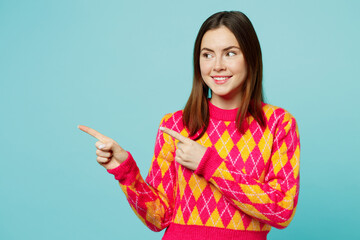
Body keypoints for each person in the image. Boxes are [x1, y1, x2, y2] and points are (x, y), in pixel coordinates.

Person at [78, 11, 300, 240]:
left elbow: (281, 210)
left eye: (230, 53)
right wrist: (125, 170)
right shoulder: (175, 124)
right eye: (207, 55)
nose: (217, 66)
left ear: (250, 57)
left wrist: (209, 164)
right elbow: (158, 218)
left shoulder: (278, 124)